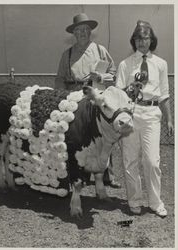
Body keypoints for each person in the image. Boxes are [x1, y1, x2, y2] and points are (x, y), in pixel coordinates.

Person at [55, 13, 121, 188]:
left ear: (90, 32)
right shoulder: (67, 54)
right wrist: (61, 97)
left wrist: (101, 76)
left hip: (95, 98)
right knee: (77, 137)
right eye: (78, 30)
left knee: (102, 136)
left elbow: (113, 74)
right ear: (74, 34)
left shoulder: (100, 50)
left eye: (85, 29)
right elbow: (60, 78)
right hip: (74, 99)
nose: (82, 33)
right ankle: (78, 173)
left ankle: (108, 174)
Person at [116, 20, 174, 217]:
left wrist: (169, 120)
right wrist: (129, 90)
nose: (141, 42)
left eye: (145, 38)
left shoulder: (161, 64)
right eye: (138, 38)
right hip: (131, 114)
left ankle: (155, 202)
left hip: (151, 115)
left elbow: (164, 95)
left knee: (152, 161)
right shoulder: (125, 64)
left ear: (152, 40)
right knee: (130, 160)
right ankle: (134, 200)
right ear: (134, 41)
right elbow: (118, 93)